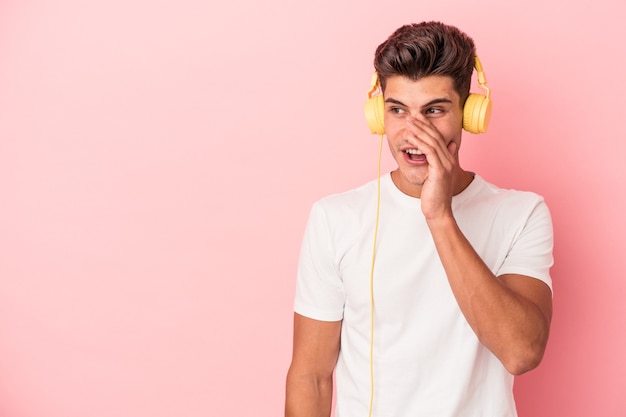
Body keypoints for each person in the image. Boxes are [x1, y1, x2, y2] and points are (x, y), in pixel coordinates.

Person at [285, 21, 553, 417]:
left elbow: (521, 352)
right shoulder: (335, 218)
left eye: (434, 110)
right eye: (398, 110)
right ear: (379, 115)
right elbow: (311, 376)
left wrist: (439, 215)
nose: (415, 133)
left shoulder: (521, 213)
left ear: (469, 113)